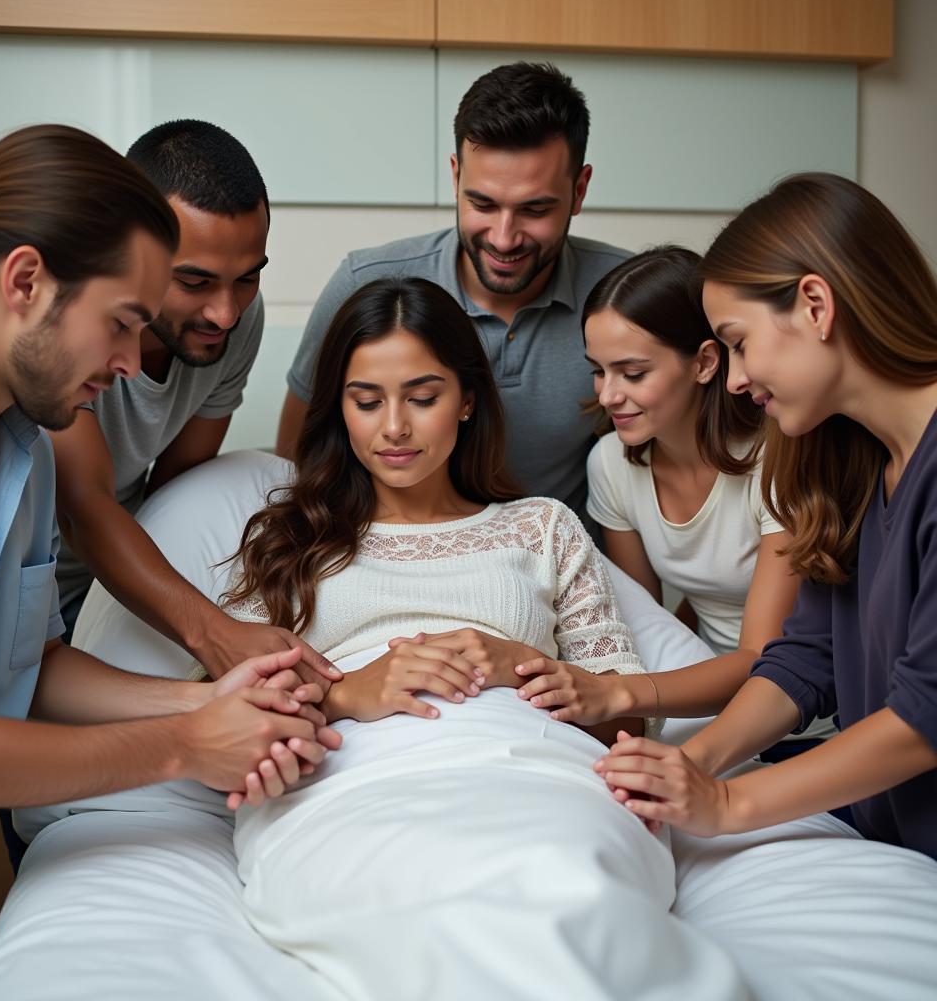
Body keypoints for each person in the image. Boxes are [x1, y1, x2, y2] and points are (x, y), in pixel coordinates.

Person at [219, 277, 748, 1000]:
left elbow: (627, 724)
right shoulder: (291, 540)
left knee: (571, 899)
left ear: (467, 399)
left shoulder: (542, 527)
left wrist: (527, 666)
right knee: (404, 907)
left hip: (538, 776)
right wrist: (347, 694)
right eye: (366, 401)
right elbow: (221, 718)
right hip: (352, 786)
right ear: (339, 408)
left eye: (423, 396)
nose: (394, 428)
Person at [0, 125, 338, 1000]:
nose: (126, 364)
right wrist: (186, 742)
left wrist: (212, 699)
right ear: (26, 281)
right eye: (119, 325)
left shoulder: (22, 446)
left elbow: (23, 670)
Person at [596, 173, 937, 860]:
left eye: (740, 342)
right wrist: (692, 764)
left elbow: (923, 719)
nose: (735, 380)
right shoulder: (852, 462)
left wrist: (726, 804)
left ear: (815, 305)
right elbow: (805, 658)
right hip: (883, 839)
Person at [51, 119, 338, 687]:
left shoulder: (234, 324)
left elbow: (176, 493)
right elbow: (82, 507)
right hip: (27, 594)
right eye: (195, 282)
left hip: (131, 586)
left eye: (247, 278)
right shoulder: (66, 326)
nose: (225, 314)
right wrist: (213, 634)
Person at [275, 61, 630, 517]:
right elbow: (297, 459)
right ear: (455, 175)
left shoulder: (624, 296)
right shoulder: (363, 284)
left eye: (535, 209)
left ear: (579, 191)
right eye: (482, 203)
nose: (504, 238)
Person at [523, 247, 830, 748]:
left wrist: (617, 693)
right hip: (691, 700)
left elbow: (763, 656)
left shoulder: (777, 460)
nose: (607, 395)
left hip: (794, 719)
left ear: (706, 362)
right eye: (599, 370)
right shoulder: (612, 464)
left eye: (633, 373)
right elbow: (647, 623)